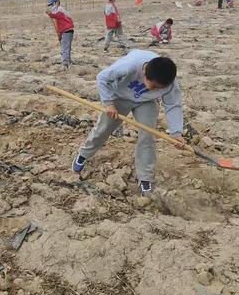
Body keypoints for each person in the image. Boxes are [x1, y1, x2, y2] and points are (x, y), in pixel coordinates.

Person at [72, 50, 185, 196]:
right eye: (154, 86)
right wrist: (108, 103)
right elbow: (102, 78)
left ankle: (145, 178)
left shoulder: (169, 82)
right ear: (144, 72)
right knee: (103, 129)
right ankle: (83, 155)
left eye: (159, 88)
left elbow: (173, 105)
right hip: (119, 96)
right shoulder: (129, 66)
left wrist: (176, 133)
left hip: (146, 102)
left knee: (147, 137)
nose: (155, 89)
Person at [46, 0, 75, 69]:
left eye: (52, 5)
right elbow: (59, 23)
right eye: (50, 6)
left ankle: (65, 64)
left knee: (65, 48)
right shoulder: (59, 10)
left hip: (67, 30)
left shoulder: (60, 9)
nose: (51, 7)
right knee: (67, 47)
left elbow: (56, 15)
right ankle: (68, 62)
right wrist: (60, 34)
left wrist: (50, 14)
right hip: (66, 31)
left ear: (57, 2)